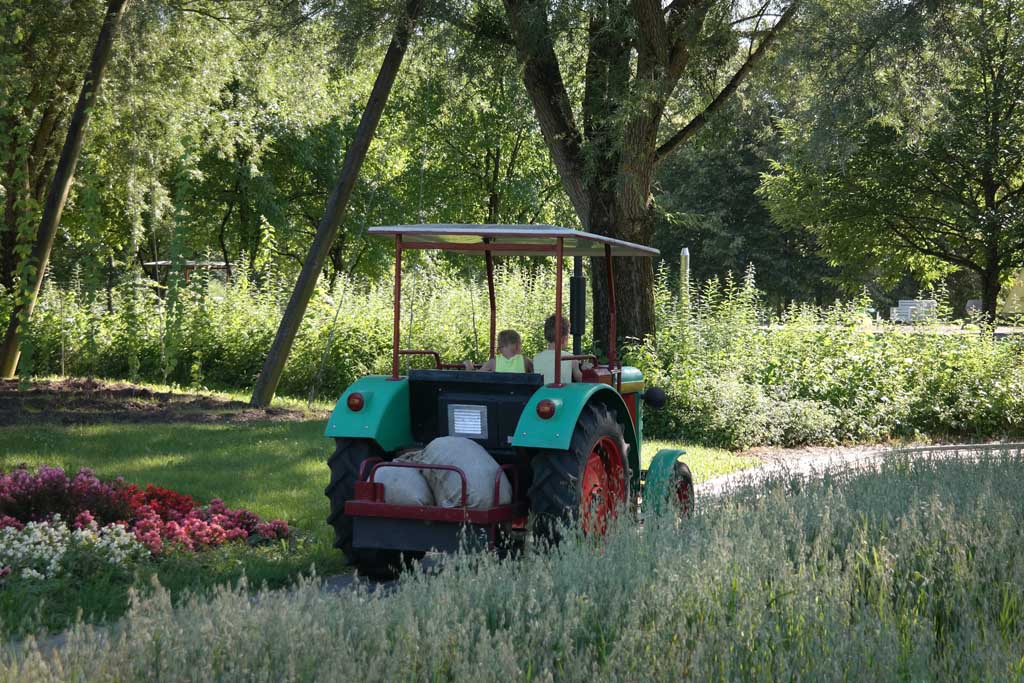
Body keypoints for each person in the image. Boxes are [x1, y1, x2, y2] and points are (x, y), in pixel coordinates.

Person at [532, 313, 583, 385]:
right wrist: (586, 369)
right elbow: (582, 381)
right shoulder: (571, 358)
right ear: (564, 338)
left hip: (542, 395)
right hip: (563, 395)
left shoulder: (536, 358)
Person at [464, 329, 534, 373]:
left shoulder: (493, 363)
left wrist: (469, 365)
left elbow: (475, 376)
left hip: (497, 396)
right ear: (517, 346)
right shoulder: (526, 361)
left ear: (501, 347)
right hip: (521, 396)